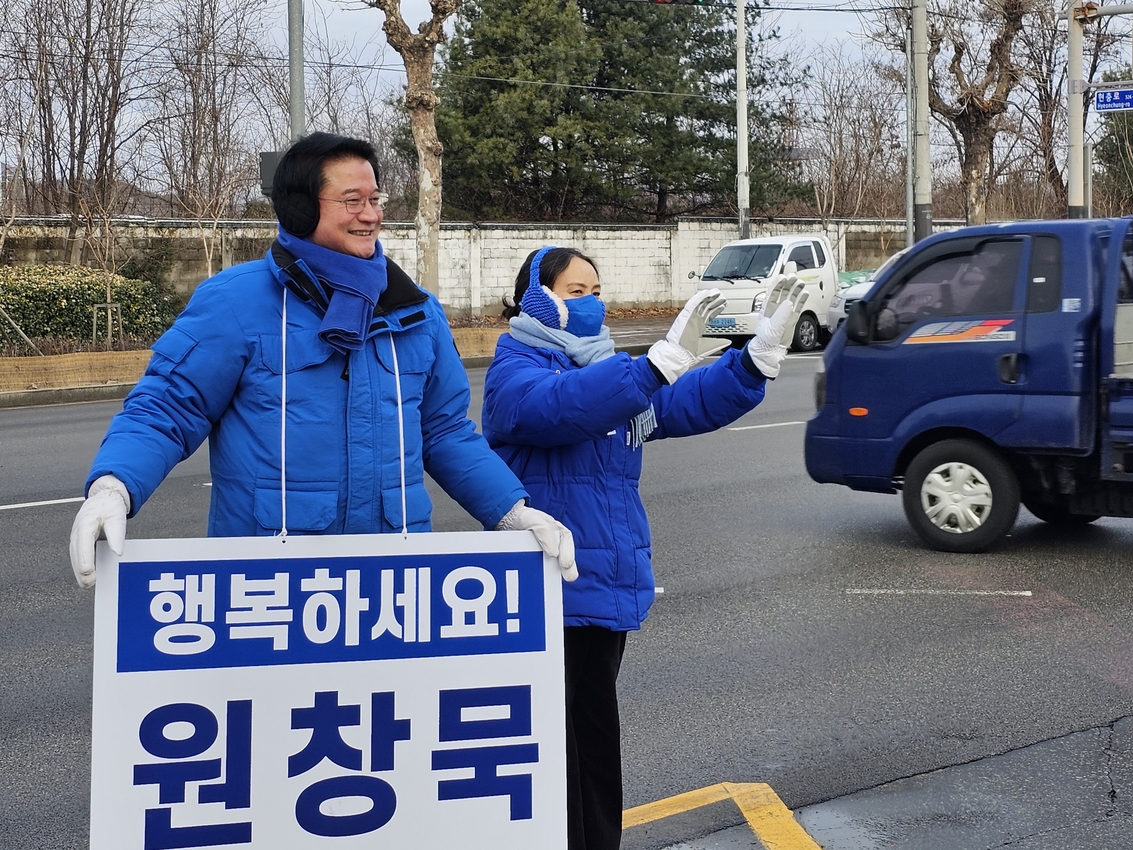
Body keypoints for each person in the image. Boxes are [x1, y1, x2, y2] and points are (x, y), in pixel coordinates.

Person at [69, 132, 576, 588]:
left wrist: (512, 511)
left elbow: (444, 432)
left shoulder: (415, 311)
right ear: (300, 210)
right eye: (351, 200)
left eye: (375, 199)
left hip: (392, 576)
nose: (371, 214)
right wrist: (114, 485)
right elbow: (168, 408)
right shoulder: (236, 303)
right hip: (269, 581)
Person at [481, 246, 806, 850]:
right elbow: (558, 409)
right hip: (547, 589)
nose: (593, 302)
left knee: (595, 740)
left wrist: (755, 360)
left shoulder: (610, 371)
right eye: (577, 291)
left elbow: (680, 403)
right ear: (536, 297)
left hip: (602, 587)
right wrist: (654, 364)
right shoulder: (515, 368)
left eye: (596, 289)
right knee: (557, 750)